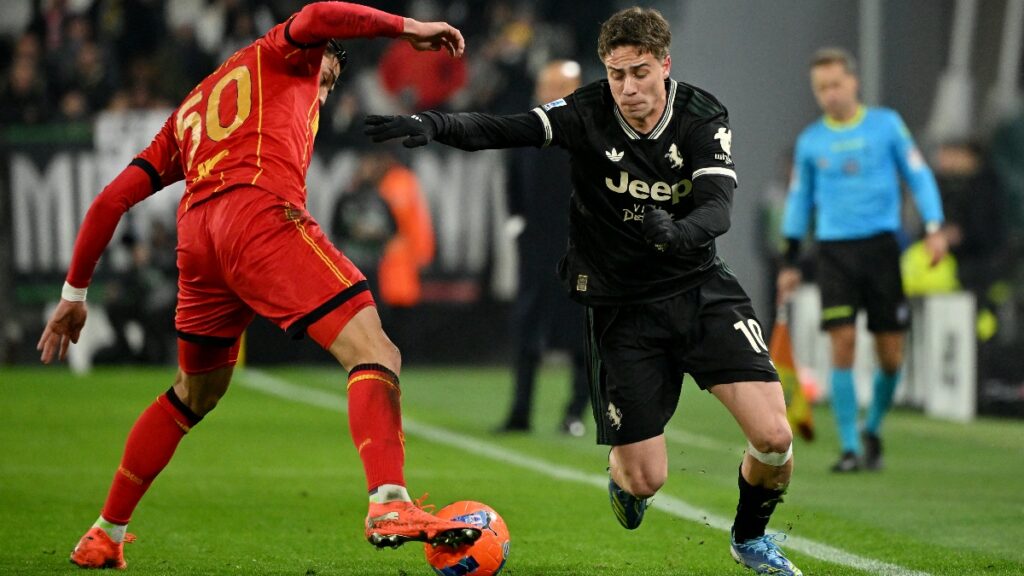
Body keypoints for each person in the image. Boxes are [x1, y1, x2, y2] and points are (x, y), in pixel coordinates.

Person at [36, 2, 478, 570]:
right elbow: (318, 14)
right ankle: (389, 501)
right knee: (375, 351)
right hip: (258, 214)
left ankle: (105, 533)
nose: (321, 96)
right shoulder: (282, 54)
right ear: (313, 60)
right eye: (325, 80)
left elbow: (111, 199)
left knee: (192, 394)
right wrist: (408, 27)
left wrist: (74, 294)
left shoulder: (192, 109)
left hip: (197, 239)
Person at [365, 7, 802, 575]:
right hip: (623, 309)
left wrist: (678, 233)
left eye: (640, 72)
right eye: (617, 74)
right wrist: (436, 125)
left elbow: (717, 208)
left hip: (699, 289)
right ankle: (625, 479)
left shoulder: (700, 114)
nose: (627, 87)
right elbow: (509, 128)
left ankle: (749, 539)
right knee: (647, 478)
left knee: (773, 437)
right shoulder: (587, 111)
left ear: (665, 64)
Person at [777, 48, 947, 473]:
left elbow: (918, 175)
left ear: (853, 82)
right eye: (821, 88)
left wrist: (933, 226)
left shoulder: (886, 125)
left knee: (891, 354)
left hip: (882, 249)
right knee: (843, 344)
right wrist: (791, 259)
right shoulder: (811, 142)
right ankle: (850, 446)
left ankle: (872, 428)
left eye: (835, 84)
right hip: (835, 252)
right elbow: (799, 200)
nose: (829, 94)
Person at [495, 59, 590, 437]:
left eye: (560, 87)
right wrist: (517, 222)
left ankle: (575, 414)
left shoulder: (591, 134)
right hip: (536, 248)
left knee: (582, 332)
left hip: (580, 248)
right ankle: (519, 413)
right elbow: (513, 180)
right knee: (526, 329)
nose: (551, 94)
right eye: (547, 87)